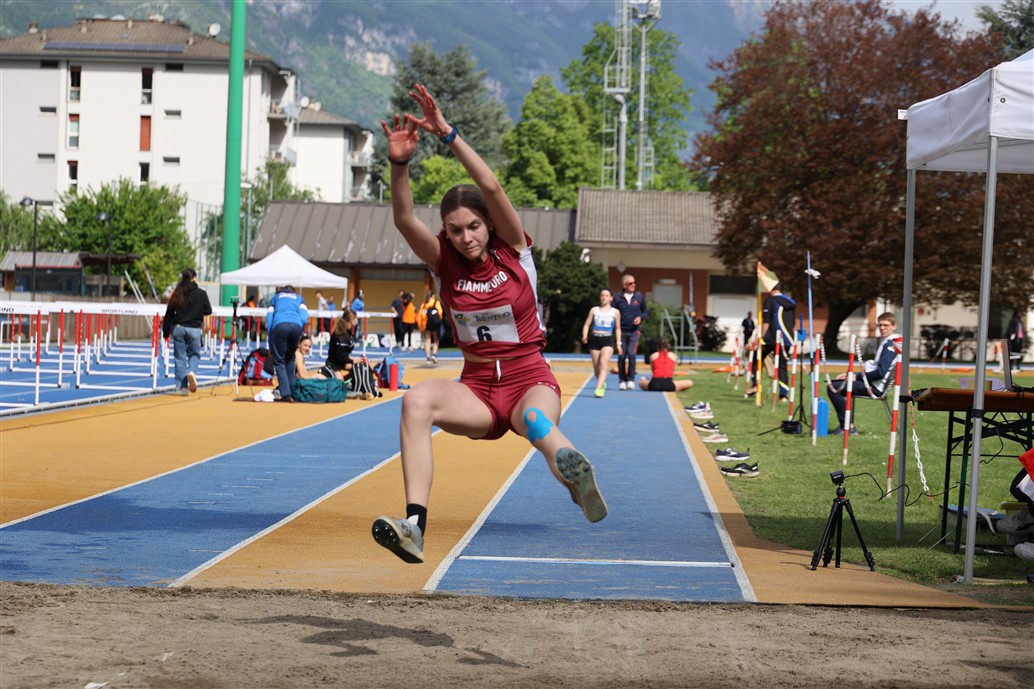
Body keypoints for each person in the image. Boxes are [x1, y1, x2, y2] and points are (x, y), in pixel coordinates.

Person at [373, 83, 607, 563]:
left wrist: (449, 135)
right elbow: (403, 219)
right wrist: (399, 164)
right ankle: (414, 527)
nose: (465, 238)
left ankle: (576, 475)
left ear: (490, 225)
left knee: (537, 422)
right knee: (415, 401)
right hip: (477, 388)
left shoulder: (515, 251)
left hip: (528, 380)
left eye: (474, 227)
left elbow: (493, 187)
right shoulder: (444, 262)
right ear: (446, 232)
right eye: (455, 230)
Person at [826, 312, 900, 435]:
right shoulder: (893, 341)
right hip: (873, 383)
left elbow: (881, 372)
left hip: (875, 388)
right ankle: (848, 425)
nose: (882, 328)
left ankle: (847, 427)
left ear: (894, 326)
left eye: (886, 325)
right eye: (880, 325)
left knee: (833, 387)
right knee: (837, 383)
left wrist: (856, 376)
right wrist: (851, 375)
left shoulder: (890, 344)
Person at [162, 268, 212, 395]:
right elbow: (208, 310)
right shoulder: (201, 293)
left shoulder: (178, 293)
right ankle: (192, 372)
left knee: (180, 358)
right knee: (194, 354)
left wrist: (166, 331)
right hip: (194, 328)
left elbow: (169, 313)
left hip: (178, 328)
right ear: (194, 278)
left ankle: (182, 387)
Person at [749, 282, 795, 399]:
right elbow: (792, 322)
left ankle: (755, 385)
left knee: (756, 358)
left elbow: (767, 321)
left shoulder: (770, 301)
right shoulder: (790, 302)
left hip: (772, 337)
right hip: (787, 338)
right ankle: (783, 396)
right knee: (782, 366)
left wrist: (761, 336)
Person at [266, 285, 309, 403]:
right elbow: (304, 316)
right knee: (290, 358)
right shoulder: (299, 298)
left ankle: (285, 394)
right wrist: (298, 326)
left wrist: (271, 342)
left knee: (279, 361)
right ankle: (292, 391)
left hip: (279, 325)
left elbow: (269, 320)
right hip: (296, 325)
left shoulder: (275, 299)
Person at [581, 288, 622, 398]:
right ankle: (602, 382)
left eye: (606, 295)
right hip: (595, 338)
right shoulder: (594, 310)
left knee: (603, 363)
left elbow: (618, 328)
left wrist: (619, 343)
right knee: (596, 367)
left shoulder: (615, 312)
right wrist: (584, 335)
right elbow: (587, 324)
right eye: (602, 295)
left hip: (608, 339)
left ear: (611, 298)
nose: (604, 297)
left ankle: (598, 388)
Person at [613, 274, 647, 390]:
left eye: (634, 282)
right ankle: (622, 380)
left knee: (632, 354)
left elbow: (645, 312)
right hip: (621, 332)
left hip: (634, 332)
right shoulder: (617, 298)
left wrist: (640, 318)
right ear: (624, 285)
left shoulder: (639, 297)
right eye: (630, 283)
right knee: (622, 356)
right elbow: (613, 312)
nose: (633, 285)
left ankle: (631, 379)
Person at [319, 307, 360, 382]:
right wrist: (353, 361)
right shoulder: (342, 335)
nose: (357, 320)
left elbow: (342, 354)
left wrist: (354, 359)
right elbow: (340, 357)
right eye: (356, 318)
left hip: (340, 363)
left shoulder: (348, 332)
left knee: (359, 367)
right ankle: (325, 374)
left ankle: (344, 381)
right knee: (340, 385)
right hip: (334, 365)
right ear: (351, 320)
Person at [419, 289, 444, 364]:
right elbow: (440, 312)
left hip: (427, 323)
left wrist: (421, 327)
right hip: (435, 323)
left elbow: (420, 316)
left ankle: (427, 358)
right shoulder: (436, 302)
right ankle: (434, 355)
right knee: (436, 339)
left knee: (427, 340)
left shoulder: (424, 304)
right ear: (433, 296)